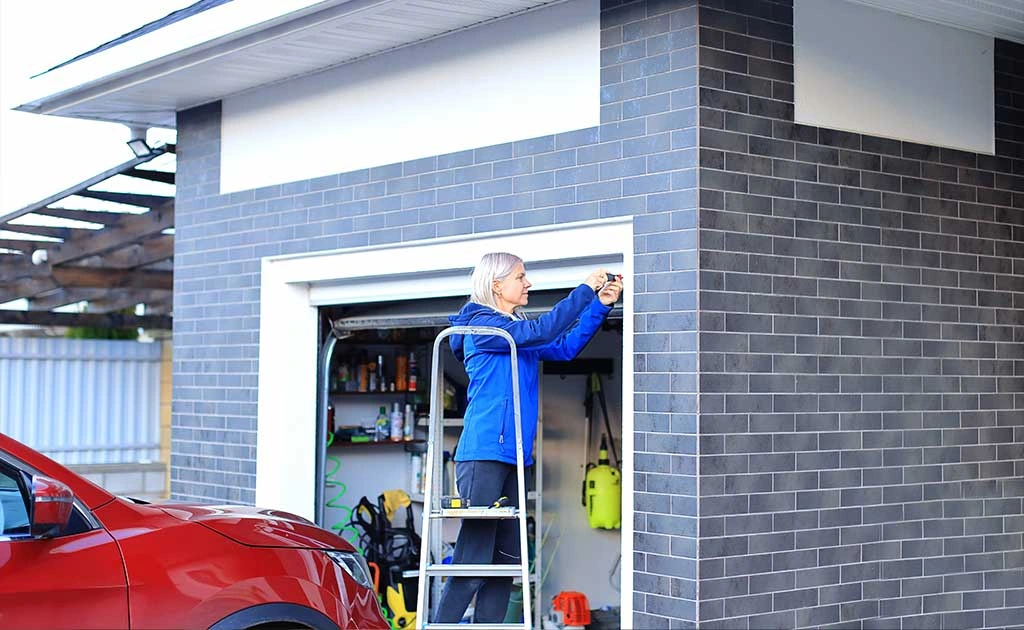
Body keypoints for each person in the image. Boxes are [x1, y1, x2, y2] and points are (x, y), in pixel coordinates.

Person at [434, 252, 623, 624]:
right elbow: (542, 331)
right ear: (496, 285)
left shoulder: (512, 334)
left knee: (506, 561)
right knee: (473, 558)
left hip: (515, 456)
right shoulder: (485, 329)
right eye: (521, 277)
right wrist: (584, 289)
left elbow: (564, 347)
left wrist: (599, 306)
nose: (528, 283)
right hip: (484, 454)